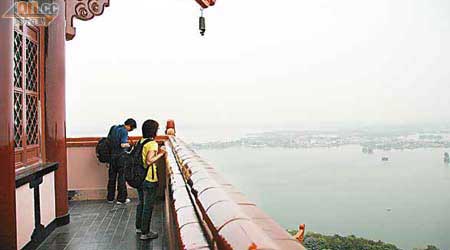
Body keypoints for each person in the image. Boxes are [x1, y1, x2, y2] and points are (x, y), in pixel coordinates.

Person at [136, 119, 166, 240]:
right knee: (148, 205)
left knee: (141, 203)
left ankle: (139, 227)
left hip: (139, 177)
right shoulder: (152, 144)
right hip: (149, 178)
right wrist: (161, 153)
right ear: (154, 131)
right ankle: (145, 233)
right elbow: (149, 160)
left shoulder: (141, 141)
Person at [107, 118, 137, 204]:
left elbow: (109, 141)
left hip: (112, 156)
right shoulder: (124, 131)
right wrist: (130, 145)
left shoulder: (113, 128)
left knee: (112, 178)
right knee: (121, 178)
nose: (131, 130)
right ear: (129, 126)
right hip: (121, 157)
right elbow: (123, 144)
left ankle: (110, 198)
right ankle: (121, 199)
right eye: (132, 128)